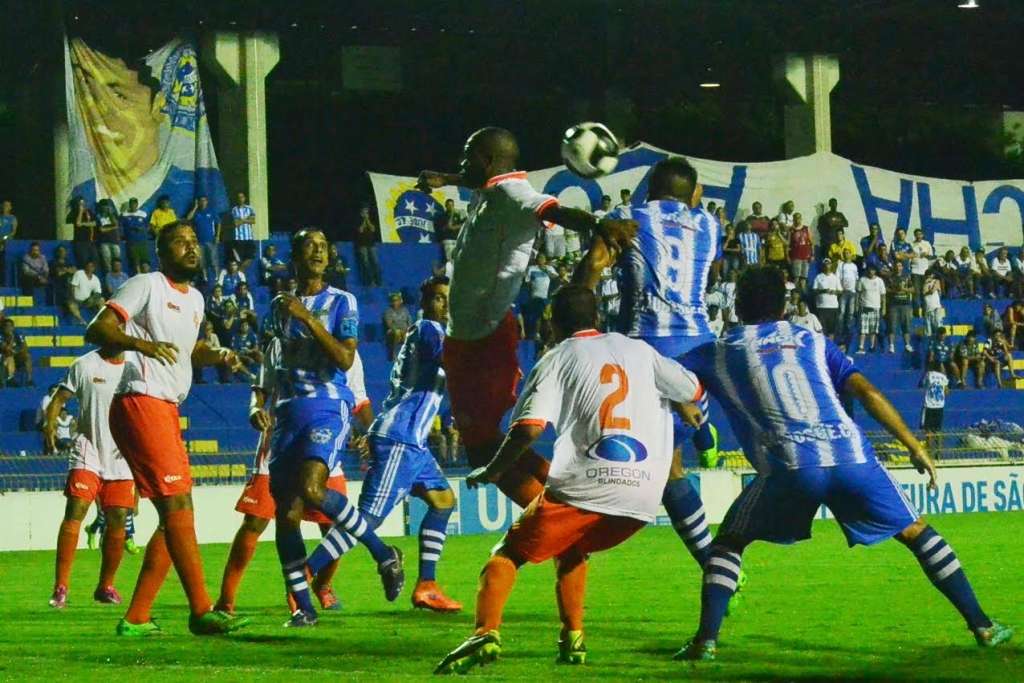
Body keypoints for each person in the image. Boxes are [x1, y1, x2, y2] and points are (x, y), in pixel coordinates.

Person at [675, 266, 1013, 662]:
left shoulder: (719, 349)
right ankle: (983, 626)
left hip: (792, 465)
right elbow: (866, 390)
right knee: (916, 531)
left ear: (738, 305)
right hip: (852, 455)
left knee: (729, 542)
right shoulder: (812, 340)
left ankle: (706, 642)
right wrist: (913, 445)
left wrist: (684, 401)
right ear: (783, 306)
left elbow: (667, 376)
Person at [434, 285, 703, 674]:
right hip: (642, 498)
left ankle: (485, 632)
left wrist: (493, 469)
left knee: (506, 555)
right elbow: (692, 388)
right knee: (572, 547)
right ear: (598, 316)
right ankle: (573, 639)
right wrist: (680, 401)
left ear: (552, 321)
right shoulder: (640, 350)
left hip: (587, 485)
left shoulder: (556, 358)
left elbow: (527, 429)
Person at [416, 127, 635, 508]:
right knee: (488, 445)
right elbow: (484, 183)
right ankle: (568, 502)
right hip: (467, 338)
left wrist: (598, 225)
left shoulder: (513, 193)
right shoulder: (491, 190)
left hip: (483, 341)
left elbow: (552, 210)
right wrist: (446, 180)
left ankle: (553, 519)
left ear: (486, 160)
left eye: (468, 157)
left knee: (483, 450)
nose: (462, 164)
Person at [84, 222, 249, 636]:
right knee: (177, 509)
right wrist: (141, 346)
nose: (191, 248)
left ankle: (137, 617)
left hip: (164, 406)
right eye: (180, 242)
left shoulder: (194, 299)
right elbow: (98, 328)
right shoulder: (147, 284)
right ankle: (201, 611)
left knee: (175, 514)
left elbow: (188, 351)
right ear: (161, 252)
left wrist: (220, 354)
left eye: (195, 242)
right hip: (141, 399)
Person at [574, 156, 726, 568]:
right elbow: (705, 270)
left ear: (648, 191)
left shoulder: (626, 217)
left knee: (665, 470)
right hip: (699, 346)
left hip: (645, 350)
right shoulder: (711, 226)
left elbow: (592, 266)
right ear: (692, 193)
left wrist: (579, 313)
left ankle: (715, 564)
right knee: (668, 467)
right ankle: (703, 426)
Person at [250, 228, 402, 628]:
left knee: (314, 489)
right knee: (287, 513)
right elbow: (270, 363)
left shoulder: (341, 302)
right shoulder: (277, 308)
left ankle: (382, 552)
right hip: (286, 413)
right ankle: (303, 606)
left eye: (324, 246)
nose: (319, 251)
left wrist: (307, 318)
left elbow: (345, 359)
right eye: (310, 246)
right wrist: (257, 403)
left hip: (327, 406)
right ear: (295, 256)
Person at [305, 277, 463, 614]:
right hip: (399, 439)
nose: (444, 305)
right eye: (438, 298)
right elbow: (453, 361)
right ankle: (306, 572)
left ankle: (427, 586)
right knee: (367, 520)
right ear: (424, 303)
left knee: (443, 500)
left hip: (413, 443)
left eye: (449, 299)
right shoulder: (429, 329)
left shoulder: (431, 333)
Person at [216, 349, 373, 615]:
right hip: (280, 442)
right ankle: (226, 601)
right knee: (256, 521)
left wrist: (370, 434)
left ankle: (322, 585)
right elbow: (262, 388)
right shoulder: (280, 343)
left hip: (325, 446)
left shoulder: (346, 351)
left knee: (336, 529)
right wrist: (255, 409)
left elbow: (359, 400)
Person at [43, 347, 133, 609]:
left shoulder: (136, 366)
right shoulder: (84, 364)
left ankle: (105, 586)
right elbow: (60, 399)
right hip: (88, 448)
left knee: (118, 518)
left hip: (122, 454)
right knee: (76, 509)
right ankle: (61, 587)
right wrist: (49, 426)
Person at [186, 196, 221, 282]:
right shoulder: (196, 213)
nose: (202, 202)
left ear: (207, 201)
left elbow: (218, 223)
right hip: (199, 241)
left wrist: (217, 236)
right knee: (202, 261)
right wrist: (195, 207)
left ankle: (217, 277)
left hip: (211, 240)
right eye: (201, 201)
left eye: (204, 200)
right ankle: (205, 277)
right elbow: (188, 218)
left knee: (213, 260)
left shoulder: (211, 212)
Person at [854, 265, 886, 354]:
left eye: (873, 270)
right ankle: (861, 347)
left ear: (875, 271)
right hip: (864, 308)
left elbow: (883, 295)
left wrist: (883, 308)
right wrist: (857, 306)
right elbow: (858, 294)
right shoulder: (862, 280)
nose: (871, 271)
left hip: (876, 308)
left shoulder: (879, 281)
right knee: (863, 329)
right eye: (870, 269)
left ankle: (872, 347)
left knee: (873, 329)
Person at [920, 361, 949, 459]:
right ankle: (939, 451)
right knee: (938, 430)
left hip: (929, 406)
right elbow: (946, 392)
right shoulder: (943, 377)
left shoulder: (929, 375)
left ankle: (929, 452)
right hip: (940, 406)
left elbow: (923, 384)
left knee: (928, 430)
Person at [812, 258, 841, 339]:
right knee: (822, 329)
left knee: (831, 329)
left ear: (831, 265)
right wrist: (823, 290)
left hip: (833, 307)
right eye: (825, 264)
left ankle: (830, 346)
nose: (827, 265)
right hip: (821, 307)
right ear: (823, 266)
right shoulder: (818, 277)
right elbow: (814, 290)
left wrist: (834, 292)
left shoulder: (835, 277)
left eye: (828, 264)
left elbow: (840, 291)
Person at [886, 269, 915, 353]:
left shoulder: (906, 277)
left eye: (900, 266)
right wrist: (895, 290)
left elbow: (913, 289)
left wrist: (904, 289)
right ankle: (891, 346)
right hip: (894, 305)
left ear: (902, 267)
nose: (898, 267)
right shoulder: (891, 278)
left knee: (906, 326)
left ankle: (907, 345)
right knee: (892, 326)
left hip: (905, 304)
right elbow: (886, 289)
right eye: (897, 266)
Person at [119, 198, 150, 274]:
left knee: (145, 261)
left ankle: (146, 275)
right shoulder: (124, 214)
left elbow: (148, 226)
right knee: (135, 261)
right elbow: (121, 227)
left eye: (134, 204)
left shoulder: (143, 214)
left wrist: (142, 229)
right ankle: (138, 276)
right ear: (129, 204)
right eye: (131, 204)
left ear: (137, 204)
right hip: (131, 242)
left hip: (142, 241)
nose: (133, 205)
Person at [68, 261, 104, 325]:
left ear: (94, 268)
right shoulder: (79, 273)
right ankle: (81, 320)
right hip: (76, 300)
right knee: (71, 305)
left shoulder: (96, 279)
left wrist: (92, 298)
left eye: (92, 266)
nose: (90, 268)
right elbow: (72, 287)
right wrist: (73, 299)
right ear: (85, 267)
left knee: (101, 300)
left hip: (87, 301)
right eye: (88, 266)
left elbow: (98, 293)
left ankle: (100, 319)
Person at [69, 197, 99, 272]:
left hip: (90, 241)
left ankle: (92, 276)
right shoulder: (74, 212)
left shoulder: (89, 212)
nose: (83, 205)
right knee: (83, 261)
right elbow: (77, 223)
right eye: (80, 204)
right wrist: (80, 212)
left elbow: (94, 223)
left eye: (83, 203)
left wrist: (83, 224)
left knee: (95, 258)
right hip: (80, 242)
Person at [355, 206, 382, 286]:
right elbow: (360, 230)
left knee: (375, 263)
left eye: (367, 212)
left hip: (371, 244)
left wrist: (368, 220)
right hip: (362, 245)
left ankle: (378, 281)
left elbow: (373, 229)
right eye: (364, 212)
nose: (366, 213)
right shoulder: (358, 220)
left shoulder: (371, 220)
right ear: (361, 212)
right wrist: (364, 220)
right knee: (366, 263)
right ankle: (370, 282)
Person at [1, 318, 33, 387]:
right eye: (6, 326)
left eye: (10, 326)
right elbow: (7, 349)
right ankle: (10, 379)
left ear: (13, 327)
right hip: (4, 358)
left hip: (16, 355)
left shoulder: (18, 334)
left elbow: (25, 347)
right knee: (9, 356)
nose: (8, 328)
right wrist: (12, 337)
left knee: (27, 355)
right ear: (3, 328)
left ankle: (29, 380)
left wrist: (18, 351)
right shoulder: (1, 336)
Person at [229, 192, 256, 270]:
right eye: (239, 197)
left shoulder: (250, 208)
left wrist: (242, 220)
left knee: (250, 258)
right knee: (239, 260)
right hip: (239, 239)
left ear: (245, 198)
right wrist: (247, 219)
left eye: (242, 197)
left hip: (249, 237)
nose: (240, 199)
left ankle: (239, 274)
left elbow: (253, 221)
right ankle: (240, 276)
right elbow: (236, 223)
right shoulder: (234, 209)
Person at [383, 292, 413, 361]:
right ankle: (393, 354)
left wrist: (408, 329)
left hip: (405, 330)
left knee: (409, 335)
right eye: (393, 301)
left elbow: (409, 321)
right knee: (397, 334)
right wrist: (395, 329)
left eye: (396, 300)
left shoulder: (405, 310)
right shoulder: (388, 311)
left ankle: (407, 355)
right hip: (393, 331)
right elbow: (389, 323)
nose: (395, 302)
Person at [910, 229, 934, 315]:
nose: (918, 236)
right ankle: (916, 312)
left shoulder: (927, 244)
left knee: (925, 292)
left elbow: (932, 257)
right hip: (915, 270)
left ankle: (925, 312)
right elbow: (909, 257)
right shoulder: (911, 244)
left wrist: (926, 255)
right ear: (914, 235)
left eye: (920, 234)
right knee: (916, 293)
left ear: (922, 235)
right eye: (916, 234)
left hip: (925, 271)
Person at [95, 198, 122, 273]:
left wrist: (111, 214)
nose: (105, 208)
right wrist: (113, 227)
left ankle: (118, 274)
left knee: (117, 259)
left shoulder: (113, 215)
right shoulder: (98, 217)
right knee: (107, 261)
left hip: (114, 240)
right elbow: (101, 230)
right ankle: (110, 276)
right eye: (103, 206)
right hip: (104, 242)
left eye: (107, 206)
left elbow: (116, 224)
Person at [788, 213, 812, 281]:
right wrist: (788, 256)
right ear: (793, 219)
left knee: (804, 278)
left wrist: (812, 255)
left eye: (798, 218)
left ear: (801, 219)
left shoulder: (806, 228)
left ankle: (803, 291)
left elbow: (811, 243)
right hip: (795, 256)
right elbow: (788, 243)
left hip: (805, 256)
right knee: (796, 277)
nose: (797, 220)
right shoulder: (791, 230)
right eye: (795, 218)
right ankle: (796, 291)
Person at [923, 265, 945, 336]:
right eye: (927, 275)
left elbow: (932, 291)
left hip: (936, 308)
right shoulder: (924, 283)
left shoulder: (936, 281)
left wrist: (928, 289)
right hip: (928, 308)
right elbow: (923, 292)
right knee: (928, 330)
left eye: (930, 275)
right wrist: (927, 284)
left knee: (938, 325)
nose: (929, 276)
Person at [0, 199, 17, 283]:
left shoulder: (12, 218)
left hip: (7, 244)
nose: (4, 207)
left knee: (5, 265)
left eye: (7, 205)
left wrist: (5, 238)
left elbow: (13, 231)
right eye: (3, 205)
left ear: (10, 207)